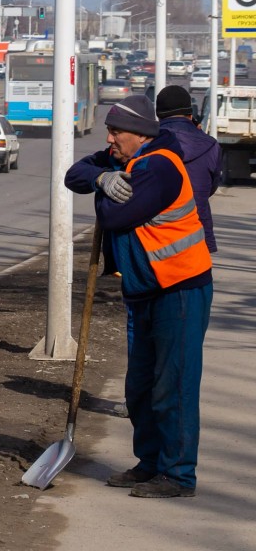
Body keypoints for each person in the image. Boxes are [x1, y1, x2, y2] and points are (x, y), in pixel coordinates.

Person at [64, 94, 212, 498]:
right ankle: (150, 463)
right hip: (146, 288)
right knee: (141, 386)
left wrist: (101, 189)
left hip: (179, 289)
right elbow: (73, 174)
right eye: (109, 131)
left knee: (173, 385)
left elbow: (115, 216)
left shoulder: (160, 167)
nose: (108, 138)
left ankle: (178, 474)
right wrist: (100, 179)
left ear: (141, 134)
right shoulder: (129, 159)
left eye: (115, 132)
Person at [155, 85, 221, 252]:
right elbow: (211, 188)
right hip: (197, 233)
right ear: (191, 115)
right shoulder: (211, 145)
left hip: (158, 235)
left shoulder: (149, 142)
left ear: (158, 115)